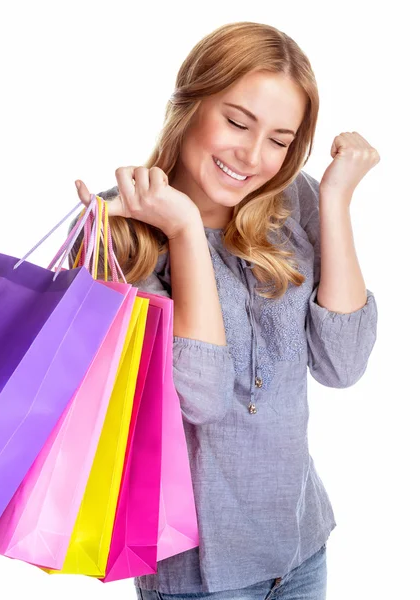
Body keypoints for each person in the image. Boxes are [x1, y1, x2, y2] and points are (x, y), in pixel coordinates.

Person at [70, 21, 379, 600]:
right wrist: (186, 230)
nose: (253, 156)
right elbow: (201, 396)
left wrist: (336, 200)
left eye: (280, 140)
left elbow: (343, 364)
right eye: (237, 121)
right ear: (188, 104)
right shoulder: (120, 234)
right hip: (198, 574)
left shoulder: (298, 201)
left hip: (302, 545)